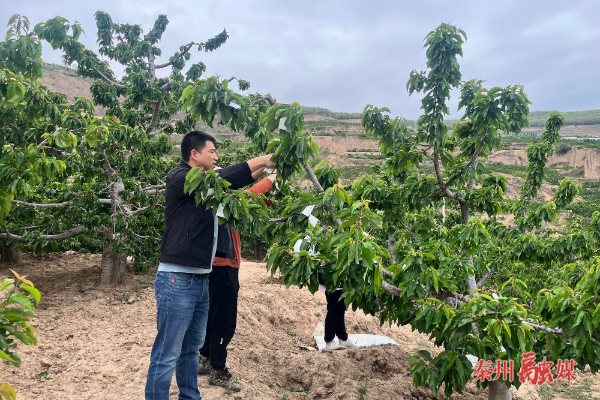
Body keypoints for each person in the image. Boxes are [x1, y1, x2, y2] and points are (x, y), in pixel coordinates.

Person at [145, 130, 274, 400]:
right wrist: (264, 159)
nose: (216, 156)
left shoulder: (208, 187)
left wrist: (267, 172)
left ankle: (190, 396)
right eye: (212, 151)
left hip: (201, 280)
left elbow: (234, 182)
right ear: (194, 154)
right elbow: (223, 177)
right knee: (167, 353)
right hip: (177, 279)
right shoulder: (180, 177)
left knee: (190, 350)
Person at [198, 173, 277, 392]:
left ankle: (205, 357)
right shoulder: (218, 202)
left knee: (212, 315)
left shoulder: (206, 201)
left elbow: (250, 205)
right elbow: (249, 197)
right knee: (224, 320)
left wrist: (271, 196)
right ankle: (218, 369)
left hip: (214, 266)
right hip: (223, 267)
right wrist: (272, 178)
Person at [318, 272, 359, 350]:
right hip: (333, 280)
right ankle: (329, 341)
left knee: (339, 310)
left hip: (338, 281)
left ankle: (343, 338)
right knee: (334, 311)